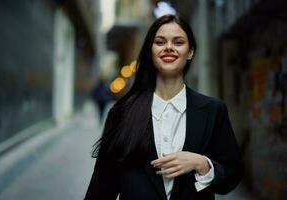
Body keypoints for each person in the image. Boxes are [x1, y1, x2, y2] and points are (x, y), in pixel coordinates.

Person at [84, 14, 243, 200]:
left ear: (190, 52)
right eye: (160, 42)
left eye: (178, 42)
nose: (169, 47)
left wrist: (202, 164)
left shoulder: (213, 111)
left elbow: (232, 176)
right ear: (151, 52)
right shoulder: (121, 113)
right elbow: (101, 190)